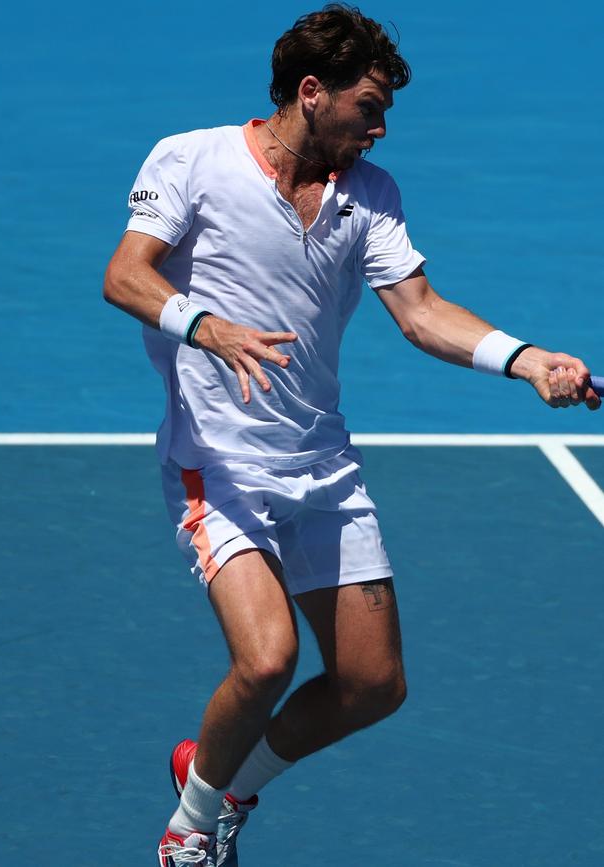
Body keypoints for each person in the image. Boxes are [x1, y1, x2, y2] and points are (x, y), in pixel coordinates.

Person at [104, 5, 601, 864]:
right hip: (217, 465)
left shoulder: (369, 195)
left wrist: (526, 361)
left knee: (373, 685)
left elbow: (421, 313)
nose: (380, 127)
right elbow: (125, 275)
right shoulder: (190, 159)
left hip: (323, 468)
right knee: (267, 661)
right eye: (368, 107)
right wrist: (208, 327)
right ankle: (191, 830)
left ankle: (220, 776)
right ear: (311, 92)